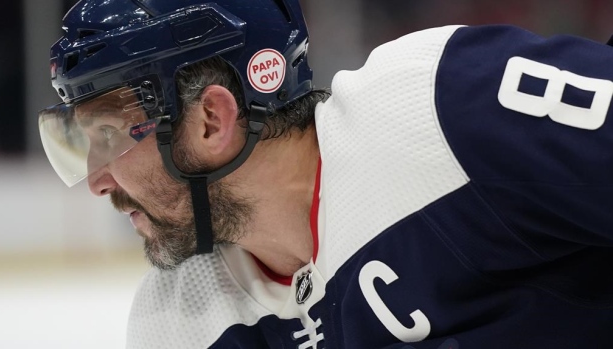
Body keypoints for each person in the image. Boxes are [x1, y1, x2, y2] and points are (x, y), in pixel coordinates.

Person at [38, 0, 613, 348]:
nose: (97, 180)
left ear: (212, 119)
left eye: (109, 134)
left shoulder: (438, 105)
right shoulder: (182, 320)